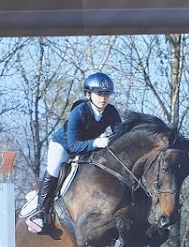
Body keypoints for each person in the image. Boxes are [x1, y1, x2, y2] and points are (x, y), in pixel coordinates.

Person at [27, 72, 122, 233]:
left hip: (89, 147)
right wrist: (97, 142)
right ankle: (40, 212)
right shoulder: (78, 112)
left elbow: (120, 134)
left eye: (107, 94)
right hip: (64, 146)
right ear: (88, 94)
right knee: (54, 169)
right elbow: (73, 145)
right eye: (99, 94)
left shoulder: (111, 112)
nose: (103, 98)